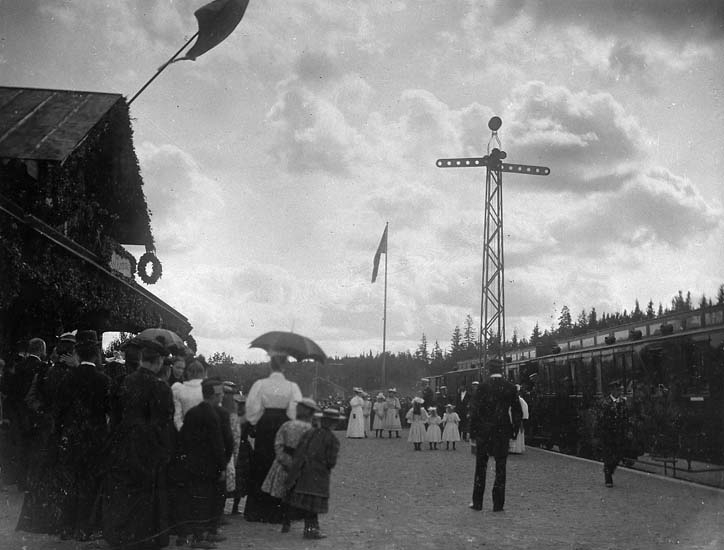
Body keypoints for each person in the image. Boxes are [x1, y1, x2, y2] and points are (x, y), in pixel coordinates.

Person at [102, 338, 175, 550]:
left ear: (142, 359)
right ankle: (143, 538)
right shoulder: (160, 387)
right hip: (147, 444)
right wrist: (165, 451)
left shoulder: (123, 381)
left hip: (122, 441)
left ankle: (120, 535)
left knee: (123, 491)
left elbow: (114, 416)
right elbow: (163, 424)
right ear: (159, 362)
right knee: (146, 494)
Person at [54, 330, 110, 540]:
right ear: (96, 355)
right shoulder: (104, 380)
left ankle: (66, 527)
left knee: (70, 481)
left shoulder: (68, 377)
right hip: (94, 437)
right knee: (89, 482)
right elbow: (108, 411)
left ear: (78, 354)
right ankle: (83, 528)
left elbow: (59, 409)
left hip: (72, 435)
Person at [244, 352, 302, 523]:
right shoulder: (291, 387)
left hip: (265, 425)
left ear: (270, 365)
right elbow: (295, 411)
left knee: (262, 463)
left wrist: (255, 421)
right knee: (281, 464)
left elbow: (252, 409)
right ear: (285, 366)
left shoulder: (260, 384)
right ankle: (279, 511)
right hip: (283, 424)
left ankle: (259, 511)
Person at [174, 378, 227, 549]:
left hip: (191, 465)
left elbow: (183, 438)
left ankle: (186, 535)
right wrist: (222, 467)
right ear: (212, 396)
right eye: (219, 394)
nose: (222, 396)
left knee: (192, 500)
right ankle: (199, 537)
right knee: (204, 502)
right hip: (208, 467)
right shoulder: (212, 415)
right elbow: (217, 443)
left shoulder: (192, 412)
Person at [469, 358, 522, 512]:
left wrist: (473, 431)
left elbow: (474, 411)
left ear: (488, 370)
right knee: (501, 468)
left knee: (481, 467)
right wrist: (514, 430)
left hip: (484, 432)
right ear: (502, 370)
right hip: (502, 431)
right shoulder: (510, 387)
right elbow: (517, 411)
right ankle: (498, 504)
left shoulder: (482, 387)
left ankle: (477, 503)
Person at [261, 397, 317, 533]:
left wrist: (283, 460)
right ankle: (310, 528)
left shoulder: (286, 425)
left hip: (285, 463)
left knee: (287, 494)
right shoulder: (311, 429)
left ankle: (286, 523)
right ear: (310, 413)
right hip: (303, 466)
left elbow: (278, 444)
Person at [284, 407, 341, 540]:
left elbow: (299, 451)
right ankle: (311, 530)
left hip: (303, 471)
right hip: (319, 474)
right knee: (313, 504)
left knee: (305, 501)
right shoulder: (332, 439)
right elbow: (331, 461)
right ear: (334, 423)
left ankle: (294, 525)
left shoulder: (310, 433)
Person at [596, 380, 630, 487]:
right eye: (617, 390)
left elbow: (625, 417)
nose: (619, 392)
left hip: (619, 434)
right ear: (612, 391)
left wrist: (626, 429)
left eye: (620, 390)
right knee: (608, 456)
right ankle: (608, 478)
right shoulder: (605, 403)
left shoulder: (622, 402)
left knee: (618, 455)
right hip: (608, 434)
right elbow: (601, 419)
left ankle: (609, 470)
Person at [172, 359, 205, 431]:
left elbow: (177, 417)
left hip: (186, 430)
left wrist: (184, 432)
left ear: (188, 373)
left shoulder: (178, 389)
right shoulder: (207, 389)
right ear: (202, 373)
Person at [509, 385, 529, 455]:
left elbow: (524, 410)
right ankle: (515, 449)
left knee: (517, 433)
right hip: (514, 419)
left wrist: (522, 419)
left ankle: (515, 449)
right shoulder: (518, 400)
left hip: (516, 419)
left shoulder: (520, 400)